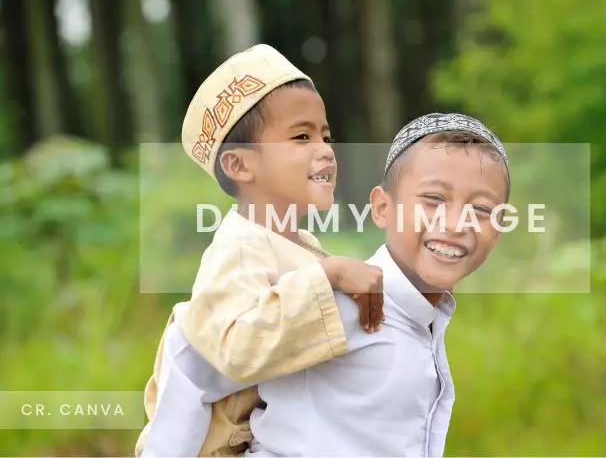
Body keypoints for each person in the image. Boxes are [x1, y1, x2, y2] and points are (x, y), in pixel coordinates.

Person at [144, 112, 511, 457]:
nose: (457, 222)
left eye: (481, 209)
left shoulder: (424, 319)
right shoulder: (342, 301)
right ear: (382, 208)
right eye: (433, 199)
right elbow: (192, 351)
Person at [135, 44, 385, 457]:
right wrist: (329, 276)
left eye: (326, 136)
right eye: (301, 137)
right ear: (239, 165)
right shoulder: (241, 246)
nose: (325, 149)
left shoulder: (298, 242)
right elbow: (235, 349)